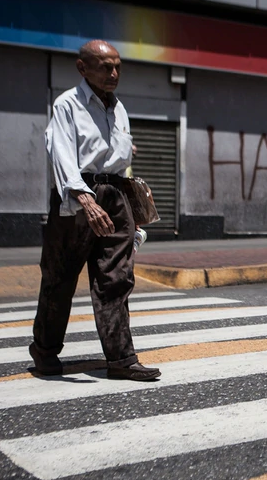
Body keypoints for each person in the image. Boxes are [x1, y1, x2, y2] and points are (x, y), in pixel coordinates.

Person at [29, 40, 161, 381]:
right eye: (105, 66)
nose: (113, 73)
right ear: (82, 67)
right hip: (76, 198)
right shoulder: (67, 105)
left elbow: (121, 164)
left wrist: (132, 209)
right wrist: (85, 200)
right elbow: (62, 156)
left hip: (115, 196)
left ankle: (121, 359)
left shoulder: (119, 109)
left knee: (117, 278)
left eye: (117, 66)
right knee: (60, 277)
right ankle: (44, 350)